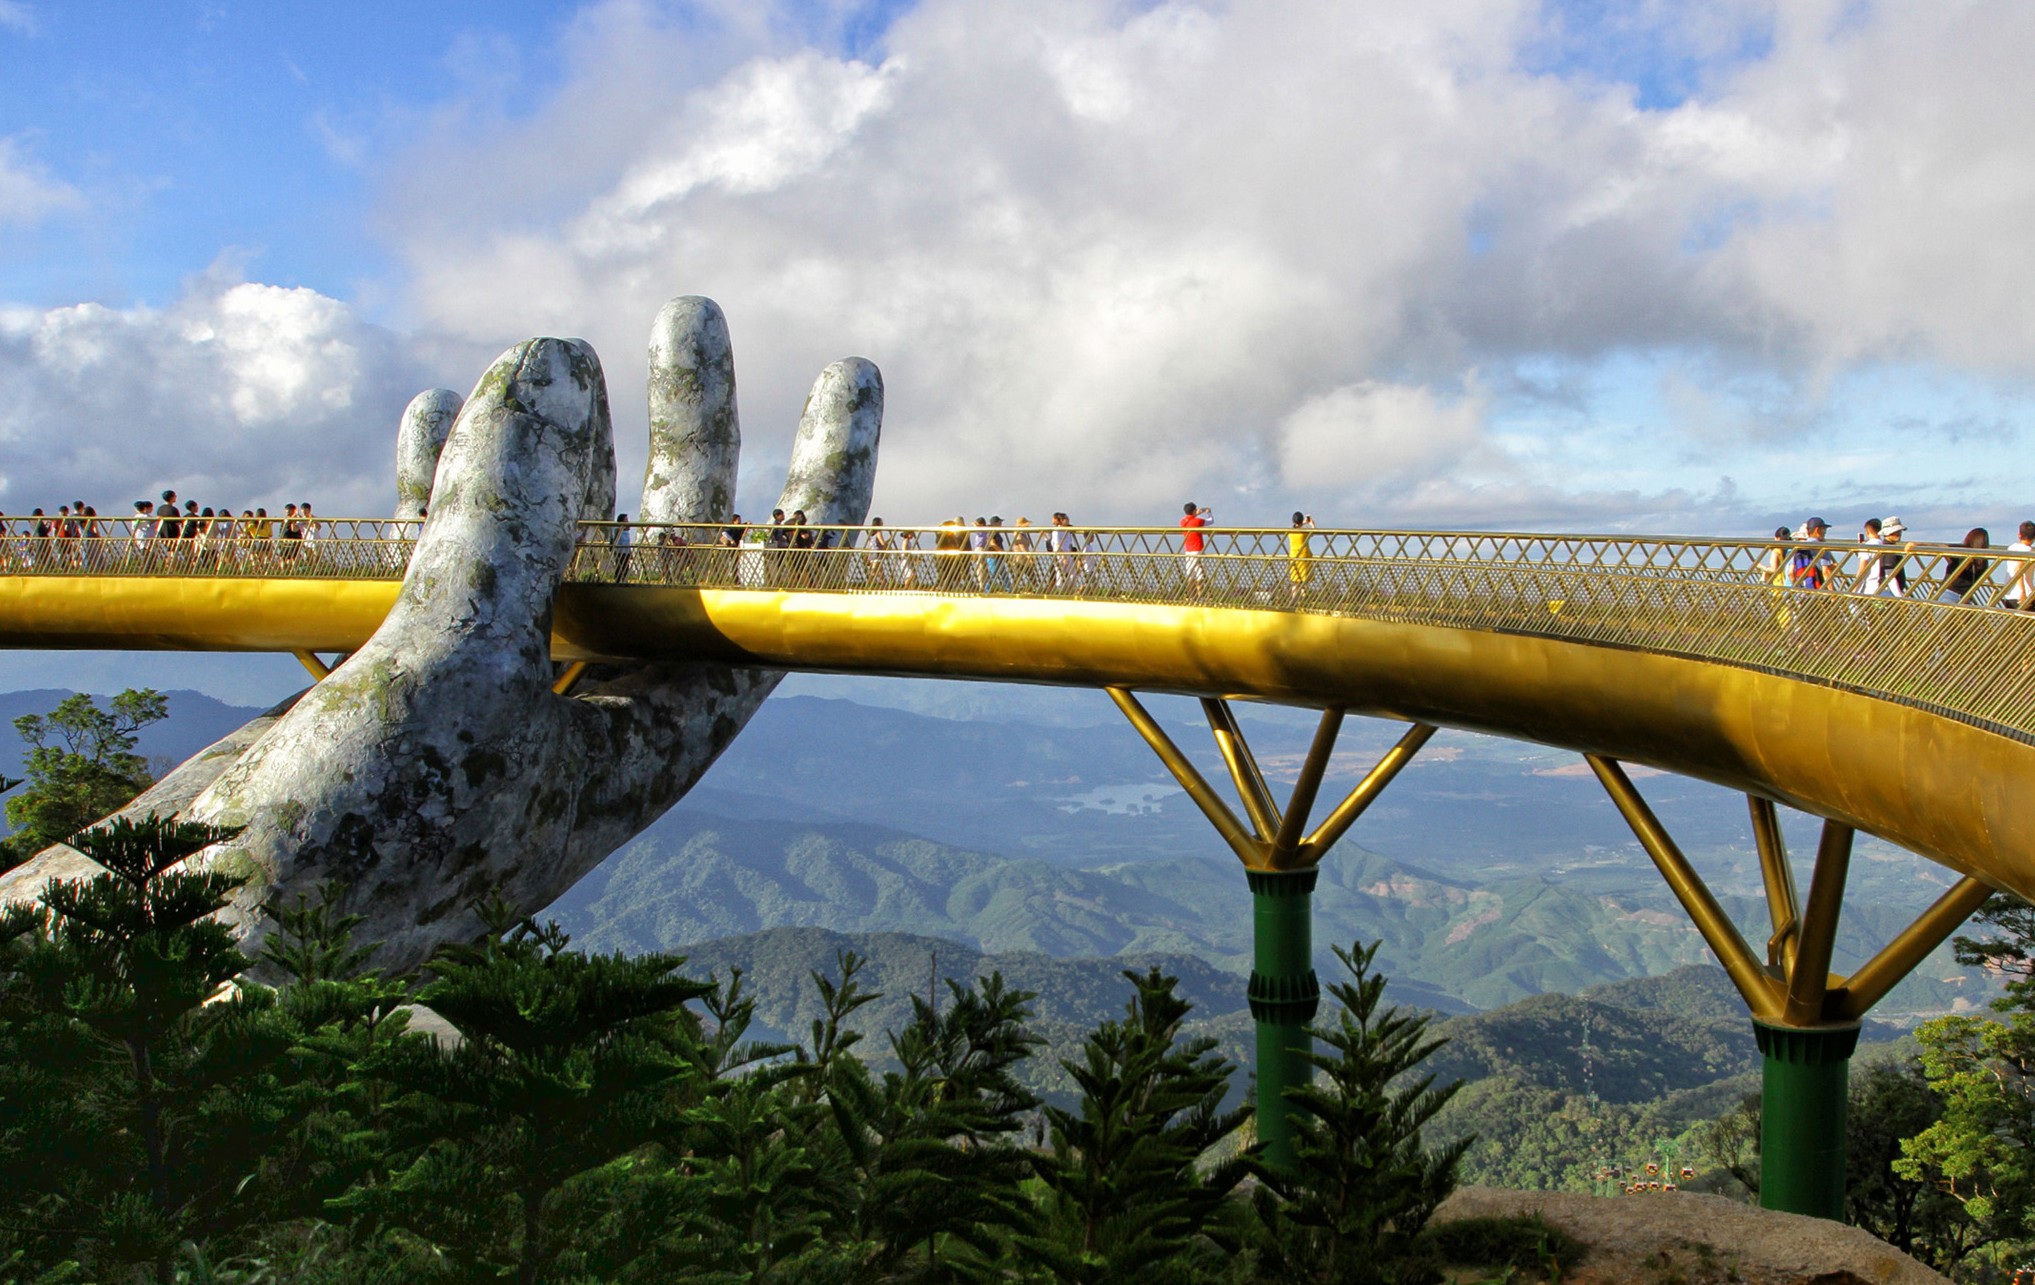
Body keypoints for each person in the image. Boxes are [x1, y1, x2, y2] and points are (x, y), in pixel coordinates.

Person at [1941, 528, 1991, 604]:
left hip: (1949, 594)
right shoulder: (1983, 561)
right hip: (1965, 597)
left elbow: (1943, 547)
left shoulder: (1961, 552)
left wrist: (1920, 545)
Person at [1180, 501, 1211, 594]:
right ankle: (1200, 595)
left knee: (1190, 574)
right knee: (1200, 574)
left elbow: (1189, 520)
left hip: (1188, 551)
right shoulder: (1197, 521)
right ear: (1194, 511)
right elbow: (1211, 521)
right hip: (1198, 549)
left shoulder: (1182, 522)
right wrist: (1208, 512)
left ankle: (1190, 596)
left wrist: (1195, 514)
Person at [2003, 521, 2035, 610]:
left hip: (2009, 594)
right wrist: (2022, 592)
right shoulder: (2029, 552)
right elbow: (2018, 569)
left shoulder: (2012, 548)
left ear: (2019, 535)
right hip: (2025, 595)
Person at [1852, 518, 1884, 595]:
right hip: (1883, 585)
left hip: (1870, 587)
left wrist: (1854, 589)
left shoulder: (1867, 546)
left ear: (1867, 532)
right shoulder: (1885, 545)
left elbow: (1862, 569)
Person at [1288, 511, 1315, 604]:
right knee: (1304, 580)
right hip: (1304, 558)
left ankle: (1293, 601)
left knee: (1296, 581)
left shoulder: (1290, 533)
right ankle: (1303, 597)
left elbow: (1294, 527)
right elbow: (1313, 533)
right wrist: (1312, 525)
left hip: (1293, 558)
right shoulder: (1303, 533)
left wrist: (1302, 523)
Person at [613, 513, 634, 582]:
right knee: (619, 566)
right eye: (626, 520)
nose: (627, 521)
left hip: (626, 552)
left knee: (626, 567)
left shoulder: (627, 532)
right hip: (619, 552)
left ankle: (625, 581)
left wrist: (630, 552)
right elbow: (617, 533)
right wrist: (625, 527)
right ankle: (617, 581)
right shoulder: (617, 529)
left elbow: (628, 543)